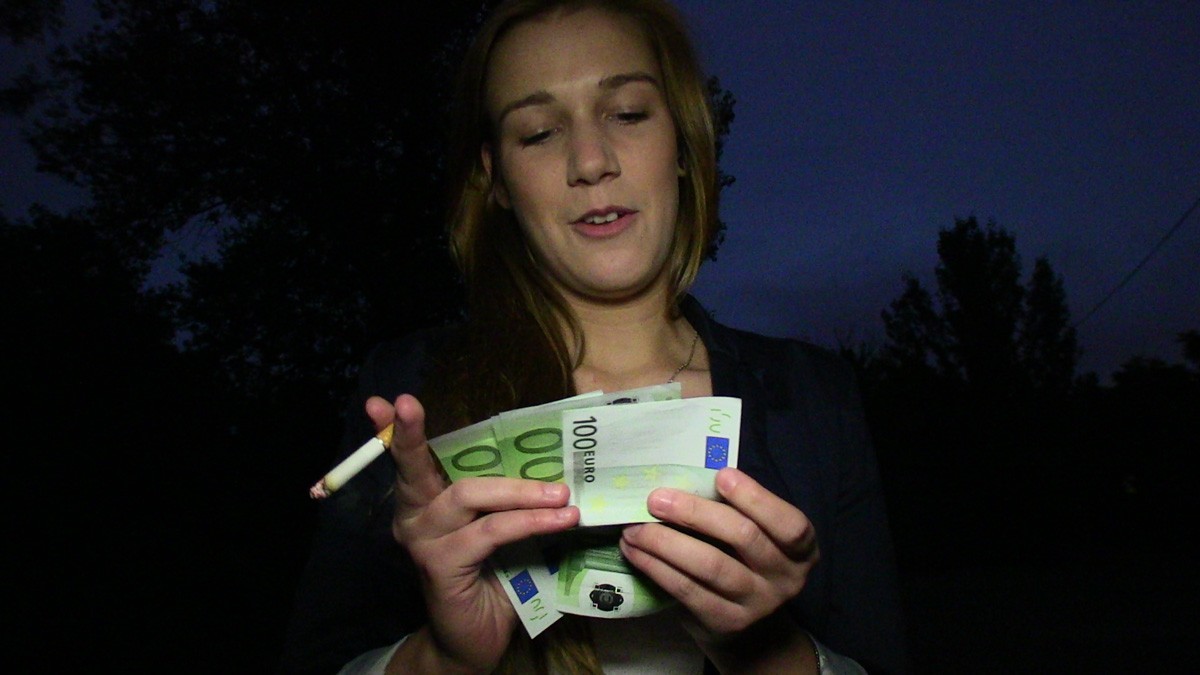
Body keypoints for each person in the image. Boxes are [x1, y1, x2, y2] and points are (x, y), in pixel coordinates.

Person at [281, 1, 907, 673]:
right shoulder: (408, 401)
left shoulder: (815, 400)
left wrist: (769, 653)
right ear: (496, 179)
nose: (590, 160)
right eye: (539, 133)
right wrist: (443, 658)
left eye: (628, 113)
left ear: (683, 144)